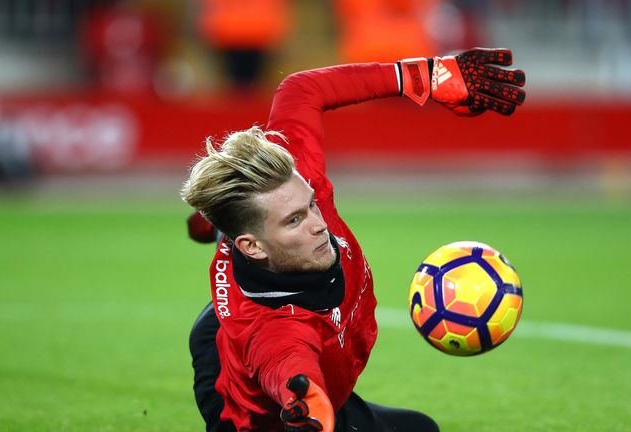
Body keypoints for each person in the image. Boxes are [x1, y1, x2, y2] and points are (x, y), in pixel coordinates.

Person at [181, 49, 526, 431]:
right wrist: (306, 402)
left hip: (313, 370)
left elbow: (302, 88)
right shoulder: (273, 328)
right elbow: (285, 365)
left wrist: (426, 75)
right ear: (250, 246)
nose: (318, 224)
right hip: (253, 410)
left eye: (310, 205)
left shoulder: (293, 178)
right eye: (295, 220)